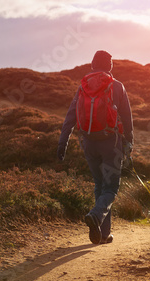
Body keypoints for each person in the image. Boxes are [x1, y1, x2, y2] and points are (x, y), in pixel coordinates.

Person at [57, 50, 133, 244]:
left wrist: (62, 143)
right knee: (111, 188)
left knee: (100, 185)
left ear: (92, 65)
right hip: (110, 142)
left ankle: (102, 234)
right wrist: (129, 142)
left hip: (89, 142)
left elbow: (70, 117)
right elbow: (127, 117)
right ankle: (96, 216)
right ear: (110, 67)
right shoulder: (117, 86)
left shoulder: (83, 87)